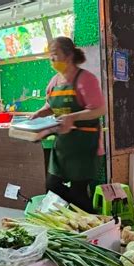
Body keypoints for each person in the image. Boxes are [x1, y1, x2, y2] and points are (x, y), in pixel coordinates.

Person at [31, 36, 106, 212]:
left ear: (69, 55)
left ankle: (96, 223)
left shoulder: (86, 79)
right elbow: (51, 105)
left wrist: (72, 117)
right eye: (50, 55)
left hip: (84, 146)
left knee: (78, 193)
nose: (52, 59)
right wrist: (40, 113)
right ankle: (87, 218)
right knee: (52, 184)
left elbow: (99, 109)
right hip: (63, 146)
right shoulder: (54, 81)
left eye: (55, 54)